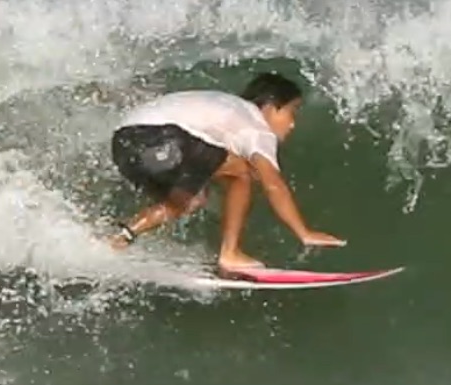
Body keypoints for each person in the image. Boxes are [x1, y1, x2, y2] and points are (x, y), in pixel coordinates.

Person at [107, 72, 345, 273]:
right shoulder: (256, 126)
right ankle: (230, 253)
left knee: (190, 200)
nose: (293, 124)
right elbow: (273, 184)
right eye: (292, 112)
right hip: (159, 139)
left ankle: (121, 238)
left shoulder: (228, 108)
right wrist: (304, 232)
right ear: (271, 108)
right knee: (241, 172)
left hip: (124, 146)